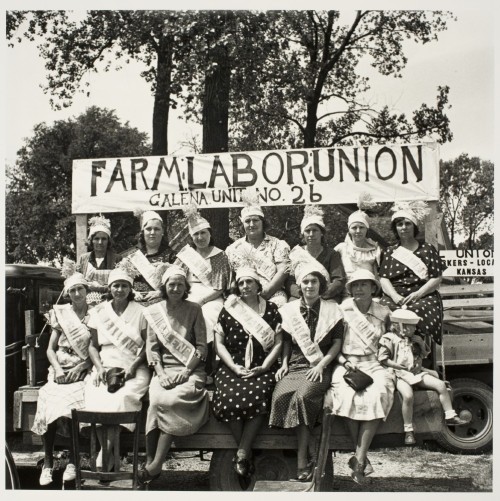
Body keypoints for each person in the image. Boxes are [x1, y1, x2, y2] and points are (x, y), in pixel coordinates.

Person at [269, 262, 344, 482]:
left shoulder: (333, 310)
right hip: (295, 365)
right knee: (281, 396)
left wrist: (321, 366)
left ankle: (302, 459)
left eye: (314, 282)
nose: (310, 286)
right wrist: (283, 364)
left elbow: (337, 344)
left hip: (319, 365)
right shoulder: (288, 311)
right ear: (299, 285)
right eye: (306, 282)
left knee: (302, 397)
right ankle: (311, 447)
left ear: (321, 285)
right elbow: (285, 342)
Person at [140, 265, 210, 485]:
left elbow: (201, 347)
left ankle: (156, 464)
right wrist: (160, 374)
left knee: (169, 400)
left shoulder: (195, 309)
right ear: (164, 286)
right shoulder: (155, 311)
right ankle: (151, 460)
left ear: (186, 287)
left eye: (180, 284)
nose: (176, 288)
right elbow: (151, 348)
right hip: (164, 371)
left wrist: (187, 371)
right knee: (155, 401)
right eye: (172, 284)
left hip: (190, 370)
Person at [212, 265, 283, 478]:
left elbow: (279, 343)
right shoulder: (230, 308)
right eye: (241, 283)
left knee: (260, 396)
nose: (245, 286)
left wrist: (266, 367)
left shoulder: (271, 309)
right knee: (227, 398)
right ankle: (246, 451)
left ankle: (242, 452)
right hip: (233, 365)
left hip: (262, 365)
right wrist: (233, 367)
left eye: (249, 282)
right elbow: (219, 343)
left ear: (258, 285)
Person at [329, 269, 395, 484]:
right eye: (354, 285)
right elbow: (333, 344)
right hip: (347, 362)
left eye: (363, 285)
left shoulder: (384, 312)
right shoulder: (341, 310)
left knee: (378, 394)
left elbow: (390, 342)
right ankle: (361, 459)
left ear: (373, 288)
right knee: (347, 395)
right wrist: (345, 363)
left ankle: (358, 457)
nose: (358, 289)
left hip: (374, 363)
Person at [83, 265, 150, 472]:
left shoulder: (141, 312)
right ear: (109, 288)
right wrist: (99, 367)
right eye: (116, 286)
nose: (119, 290)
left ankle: (105, 456)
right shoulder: (98, 312)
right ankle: (109, 453)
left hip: (133, 367)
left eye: (124, 286)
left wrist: (133, 366)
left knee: (121, 398)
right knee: (97, 396)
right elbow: (93, 346)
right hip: (105, 365)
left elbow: (148, 345)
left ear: (130, 289)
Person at [31, 265, 93, 486]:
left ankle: (74, 461)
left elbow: (99, 348)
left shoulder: (95, 314)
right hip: (60, 368)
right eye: (72, 290)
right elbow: (50, 349)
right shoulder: (62, 314)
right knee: (48, 398)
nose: (77, 294)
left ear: (86, 290)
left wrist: (84, 365)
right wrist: (57, 368)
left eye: (80, 289)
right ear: (67, 293)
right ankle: (48, 462)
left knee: (75, 404)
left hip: (84, 369)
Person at [378, 308, 470, 445]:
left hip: (416, 372)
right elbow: (383, 359)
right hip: (400, 374)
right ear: (400, 326)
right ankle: (408, 430)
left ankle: (450, 415)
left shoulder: (415, 339)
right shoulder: (389, 338)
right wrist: (398, 366)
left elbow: (424, 355)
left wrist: (419, 343)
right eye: (412, 326)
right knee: (408, 396)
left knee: (440, 385)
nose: (415, 329)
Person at [378, 201, 447, 345]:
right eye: (399, 224)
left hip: (422, 295)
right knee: (383, 310)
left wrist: (418, 294)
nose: (404, 228)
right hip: (396, 296)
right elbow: (384, 278)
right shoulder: (390, 251)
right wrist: (395, 296)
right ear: (395, 228)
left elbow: (436, 278)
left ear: (414, 226)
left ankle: (419, 351)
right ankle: (390, 351)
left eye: (407, 223)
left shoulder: (427, 249)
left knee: (417, 309)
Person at [174, 204, 231, 357]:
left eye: (203, 233)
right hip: (188, 293)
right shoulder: (186, 255)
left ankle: (206, 355)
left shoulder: (219, 255)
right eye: (196, 234)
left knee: (206, 316)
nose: (200, 237)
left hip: (211, 296)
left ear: (210, 234)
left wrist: (201, 301)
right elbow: (174, 275)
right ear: (191, 237)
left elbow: (219, 288)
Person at [226, 190, 290, 307]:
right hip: (243, 293)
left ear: (263, 222)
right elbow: (231, 279)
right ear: (242, 224)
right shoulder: (233, 249)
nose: (251, 224)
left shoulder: (277, 244)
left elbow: (283, 272)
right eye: (247, 221)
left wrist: (264, 295)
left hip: (272, 293)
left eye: (255, 220)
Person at [287, 205, 346, 303]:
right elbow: (290, 280)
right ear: (303, 233)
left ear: (321, 233)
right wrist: (302, 294)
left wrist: (322, 295)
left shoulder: (331, 254)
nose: (311, 234)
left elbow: (339, 280)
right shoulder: (296, 253)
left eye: (315, 230)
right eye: (307, 231)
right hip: (301, 295)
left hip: (326, 296)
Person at [126, 209, 177, 306]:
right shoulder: (133, 257)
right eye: (149, 229)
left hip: (162, 302)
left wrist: (160, 292)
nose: (152, 232)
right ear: (143, 232)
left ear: (162, 232)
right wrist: (131, 292)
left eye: (157, 229)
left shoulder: (172, 256)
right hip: (135, 302)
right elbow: (123, 280)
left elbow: (178, 281)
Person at [334, 194, 381, 293]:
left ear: (366, 229)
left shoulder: (374, 250)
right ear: (349, 229)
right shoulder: (341, 248)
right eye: (354, 228)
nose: (358, 231)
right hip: (346, 293)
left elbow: (377, 275)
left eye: (361, 227)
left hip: (368, 293)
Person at [77, 215, 121, 305]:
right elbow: (78, 282)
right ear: (91, 240)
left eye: (104, 239)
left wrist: (100, 288)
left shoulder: (117, 259)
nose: (100, 242)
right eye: (96, 239)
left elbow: (120, 284)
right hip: (88, 303)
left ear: (108, 241)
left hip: (111, 301)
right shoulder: (83, 259)